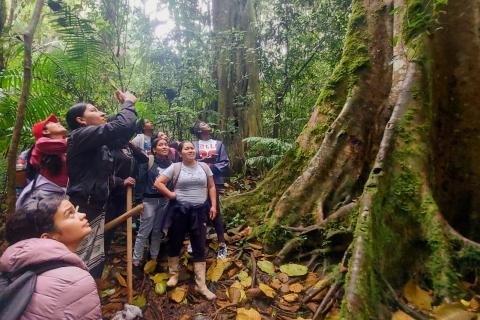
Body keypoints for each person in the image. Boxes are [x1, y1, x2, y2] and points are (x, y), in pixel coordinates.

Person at [65, 90, 137, 278]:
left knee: (94, 259)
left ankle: (90, 299)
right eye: (95, 110)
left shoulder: (95, 143)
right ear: (81, 120)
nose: (102, 113)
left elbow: (101, 176)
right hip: (83, 207)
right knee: (80, 260)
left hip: (96, 206)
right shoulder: (81, 135)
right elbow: (122, 126)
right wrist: (128, 103)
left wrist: (121, 181)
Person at [0, 195, 101, 319]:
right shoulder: (74, 280)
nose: (82, 215)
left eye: (76, 210)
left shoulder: (11, 268)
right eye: (70, 214)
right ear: (47, 238)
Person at [154, 141, 217, 300]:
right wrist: (171, 195)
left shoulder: (204, 167)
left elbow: (211, 186)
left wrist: (213, 206)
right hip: (180, 211)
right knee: (175, 242)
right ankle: (174, 275)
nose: (191, 150)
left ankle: (201, 284)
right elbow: (158, 182)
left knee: (199, 244)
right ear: (180, 153)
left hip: (200, 211)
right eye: (186, 148)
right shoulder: (175, 167)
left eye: (191, 148)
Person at [192, 122, 230, 259]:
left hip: (215, 181)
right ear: (198, 130)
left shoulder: (218, 144)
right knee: (197, 210)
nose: (207, 124)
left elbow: (225, 162)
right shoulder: (194, 144)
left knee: (215, 211)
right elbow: (188, 160)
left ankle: (222, 244)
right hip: (197, 181)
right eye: (202, 124)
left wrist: (209, 167)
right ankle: (195, 241)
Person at [132, 137, 172, 268]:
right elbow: (141, 180)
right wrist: (139, 201)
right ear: (154, 149)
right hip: (149, 200)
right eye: (161, 145)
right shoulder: (149, 161)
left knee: (157, 231)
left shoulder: (171, 164)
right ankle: (136, 261)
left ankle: (154, 258)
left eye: (166, 144)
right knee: (144, 230)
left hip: (164, 200)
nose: (164, 147)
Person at [16, 115, 68, 209]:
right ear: (45, 131)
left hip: (62, 193)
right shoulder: (41, 143)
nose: (59, 123)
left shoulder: (63, 150)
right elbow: (71, 143)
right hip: (46, 195)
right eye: (53, 123)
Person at [105, 140, 147, 254]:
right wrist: (120, 181)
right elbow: (102, 173)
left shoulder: (128, 148)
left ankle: (106, 252)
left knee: (116, 223)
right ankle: (101, 255)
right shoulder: (108, 147)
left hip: (124, 194)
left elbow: (144, 158)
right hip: (109, 195)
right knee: (107, 225)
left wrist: (131, 144)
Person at [131, 119, 155, 203]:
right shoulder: (139, 138)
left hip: (153, 165)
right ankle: (138, 200)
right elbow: (132, 150)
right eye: (148, 122)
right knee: (141, 182)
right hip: (142, 165)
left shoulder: (154, 138)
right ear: (143, 127)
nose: (151, 122)